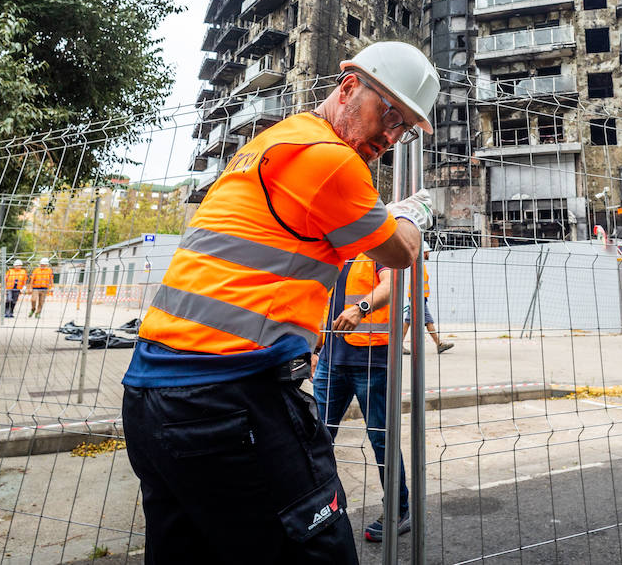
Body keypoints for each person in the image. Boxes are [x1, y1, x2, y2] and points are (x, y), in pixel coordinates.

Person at [122, 41, 440, 564]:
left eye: (404, 127)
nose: (391, 135)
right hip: (230, 397)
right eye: (389, 113)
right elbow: (401, 252)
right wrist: (412, 213)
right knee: (318, 552)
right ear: (348, 87)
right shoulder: (332, 161)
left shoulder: (273, 142)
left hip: (151, 394)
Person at [313, 254, 408, 543]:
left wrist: (361, 308)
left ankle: (399, 511)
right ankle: (315, 508)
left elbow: (393, 285)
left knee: (381, 440)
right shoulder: (335, 251)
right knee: (315, 437)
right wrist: (314, 349)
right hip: (331, 361)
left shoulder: (377, 249)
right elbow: (325, 303)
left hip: (372, 362)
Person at [402, 245, 453, 354]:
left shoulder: (420, 265)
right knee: (424, 321)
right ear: (423, 252)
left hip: (419, 298)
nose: (429, 254)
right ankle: (439, 344)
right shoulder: (418, 265)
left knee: (413, 321)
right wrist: (416, 299)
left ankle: (398, 345)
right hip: (417, 298)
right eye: (427, 252)